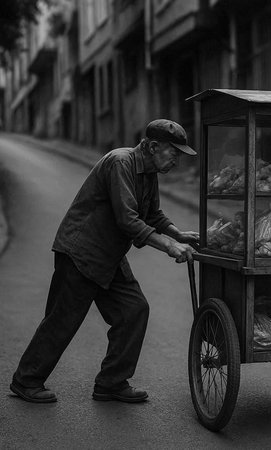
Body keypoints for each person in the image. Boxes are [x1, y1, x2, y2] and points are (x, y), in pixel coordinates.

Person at [10, 119, 199, 403]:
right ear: (152, 146)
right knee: (62, 320)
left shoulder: (149, 172)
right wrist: (168, 245)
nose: (177, 160)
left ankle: (111, 383)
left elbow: (153, 214)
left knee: (133, 310)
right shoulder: (120, 163)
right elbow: (128, 219)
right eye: (174, 152)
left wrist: (177, 233)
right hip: (81, 250)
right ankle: (26, 381)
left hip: (109, 255)